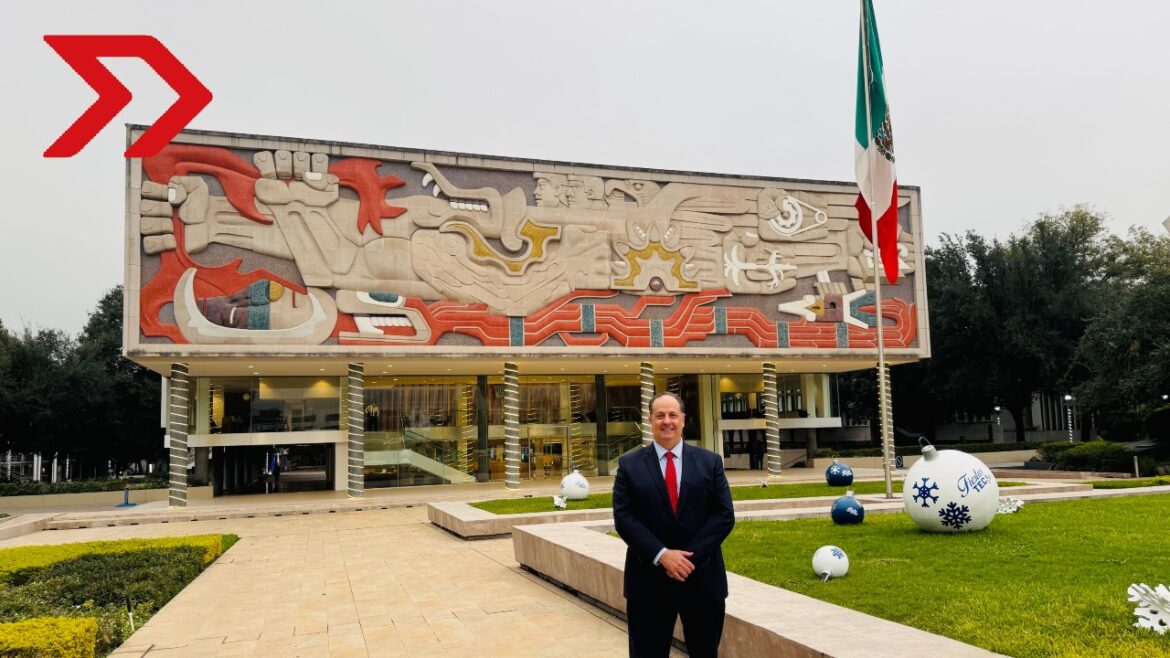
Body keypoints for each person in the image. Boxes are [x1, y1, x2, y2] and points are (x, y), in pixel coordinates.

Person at [613, 392, 736, 658]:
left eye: (672, 415)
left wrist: (686, 560)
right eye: (660, 415)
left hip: (702, 579)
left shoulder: (710, 462)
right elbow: (624, 517)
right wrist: (662, 555)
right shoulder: (629, 465)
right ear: (650, 420)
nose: (666, 421)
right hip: (648, 582)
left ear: (683, 419)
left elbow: (724, 515)